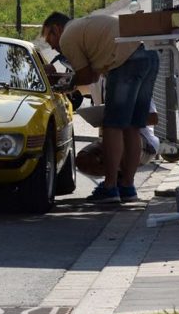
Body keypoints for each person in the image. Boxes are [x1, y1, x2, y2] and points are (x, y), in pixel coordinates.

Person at [42, 11, 159, 204]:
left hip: (126, 61)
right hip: (148, 56)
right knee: (133, 125)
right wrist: (71, 82)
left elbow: (85, 76)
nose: (53, 47)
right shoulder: (86, 30)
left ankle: (110, 187)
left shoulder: (67, 37)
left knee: (112, 125)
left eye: (50, 39)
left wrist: (65, 85)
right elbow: (93, 76)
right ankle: (128, 187)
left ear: (57, 29)